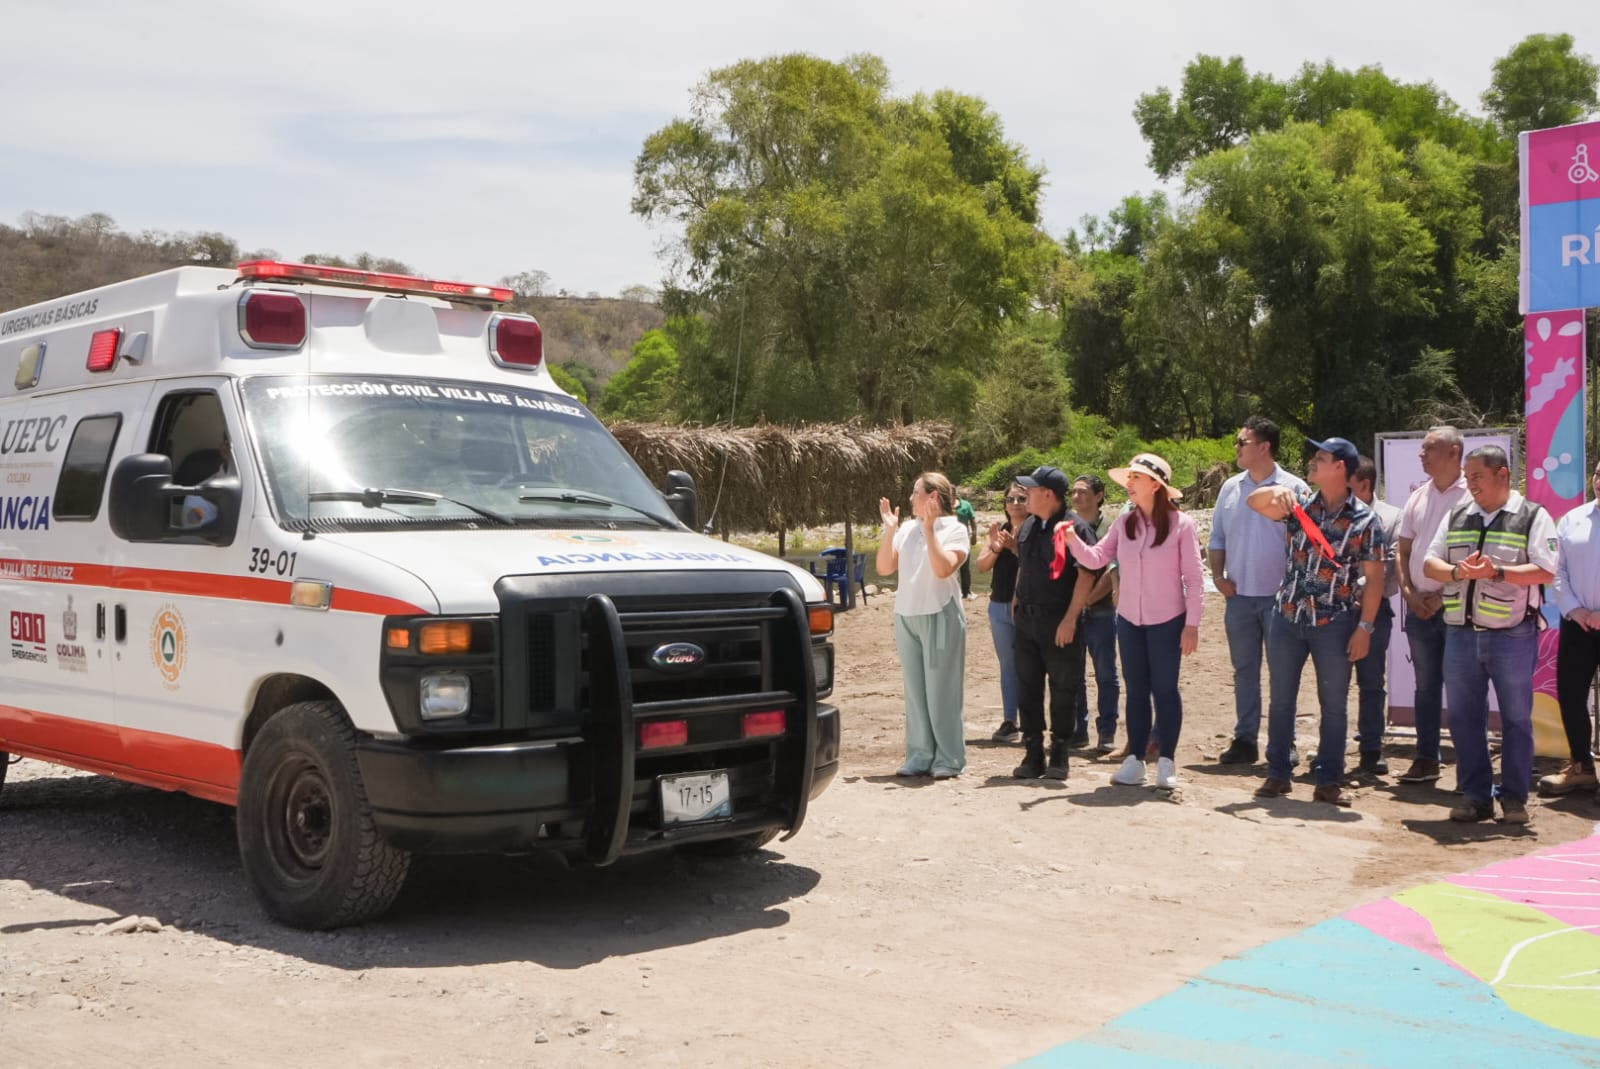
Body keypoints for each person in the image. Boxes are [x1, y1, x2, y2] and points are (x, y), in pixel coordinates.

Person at [1423, 445, 1558, 824]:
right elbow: (1430, 563)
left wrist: (1496, 572)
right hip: (1460, 635)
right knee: (1463, 718)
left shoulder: (1532, 516)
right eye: (1468, 478)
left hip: (1513, 635)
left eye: (1477, 477)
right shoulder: (1457, 514)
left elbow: (1546, 571)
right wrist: (1457, 572)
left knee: (1516, 719)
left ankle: (1514, 799)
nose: (1471, 484)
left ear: (1503, 475)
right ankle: (1475, 797)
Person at [1249, 437, 1384, 807]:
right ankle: (1278, 773)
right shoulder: (1299, 504)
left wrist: (1365, 628)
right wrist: (1274, 492)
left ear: (1340, 467)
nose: (1313, 461)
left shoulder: (1365, 520)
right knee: (1281, 699)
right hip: (1288, 616)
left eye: (1321, 457)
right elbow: (1253, 502)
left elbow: (1375, 580)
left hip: (1335, 621)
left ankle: (1328, 780)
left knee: (1334, 705)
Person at [1062, 453, 1203, 791]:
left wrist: (1192, 624)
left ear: (1155, 485)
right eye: (1129, 477)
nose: (1129, 483)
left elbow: (1195, 579)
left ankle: (1166, 761)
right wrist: (1071, 540)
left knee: (1165, 690)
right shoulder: (1124, 524)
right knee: (1136, 690)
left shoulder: (1182, 525)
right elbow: (1096, 557)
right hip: (1128, 620)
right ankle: (1135, 760)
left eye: (1136, 478)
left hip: (1168, 621)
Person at [1209, 416, 1308, 766]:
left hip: (1281, 600)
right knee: (1244, 671)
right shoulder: (1230, 488)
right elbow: (1217, 537)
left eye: (1242, 442)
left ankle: (1284, 742)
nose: (1236, 447)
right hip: (1238, 597)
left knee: (1283, 675)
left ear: (1264, 447)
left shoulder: (1295, 489)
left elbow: (1307, 544)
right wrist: (1217, 577)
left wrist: (1293, 587)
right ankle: (1245, 740)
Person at [1009, 465, 1101, 781]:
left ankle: (1060, 754)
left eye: (1031, 490)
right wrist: (1016, 601)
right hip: (1027, 620)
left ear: (1048, 494)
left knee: (1063, 689)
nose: (1025, 495)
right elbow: (1024, 566)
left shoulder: (1075, 528)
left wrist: (1071, 619)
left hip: (1059, 620)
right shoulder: (1029, 526)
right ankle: (1033, 753)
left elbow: (1086, 576)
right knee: (1027, 687)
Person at [878, 472, 970, 780]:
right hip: (906, 614)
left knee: (942, 690)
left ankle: (949, 758)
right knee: (915, 691)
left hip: (940, 613)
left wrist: (930, 530)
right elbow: (884, 567)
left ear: (933, 497)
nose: (910, 498)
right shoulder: (906, 528)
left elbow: (944, 569)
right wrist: (890, 530)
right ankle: (919, 755)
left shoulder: (955, 529)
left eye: (915, 492)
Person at [1393, 426, 1468, 785]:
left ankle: (1469, 766)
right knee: (1425, 687)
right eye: (1421, 449)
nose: (1421, 455)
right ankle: (1426, 759)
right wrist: (1409, 594)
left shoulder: (1472, 497)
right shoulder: (1418, 496)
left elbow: (1478, 555)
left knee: (1464, 689)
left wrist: (1442, 596)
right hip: (1419, 608)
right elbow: (1403, 551)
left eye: (1429, 449)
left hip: (1457, 609)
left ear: (1454, 453)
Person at [1544, 458, 1600, 797]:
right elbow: (1557, 570)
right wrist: (1574, 609)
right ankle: (1582, 766)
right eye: (1598, 474)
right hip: (1577, 623)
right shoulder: (1571, 519)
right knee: (1571, 695)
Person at [1350, 455, 1401, 776]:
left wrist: (1358, 587)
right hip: (1336, 611)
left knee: (1371, 681)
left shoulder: (1392, 517)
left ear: (1364, 485)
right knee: (1333, 684)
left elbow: (1391, 565)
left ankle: (1371, 749)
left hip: (1375, 611)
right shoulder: (1330, 514)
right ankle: (1330, 749)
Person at [1070, 475, 1120, 753]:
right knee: (1074, 673)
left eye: (1083, 492)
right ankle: (1079, 730)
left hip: (1101, 610)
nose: (1077, 496)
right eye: (1074, 492)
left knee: (1105, 673)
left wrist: (1087, 599)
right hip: (1074, 612)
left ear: (1099, 496)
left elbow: (1112, 570)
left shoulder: (1110, 528)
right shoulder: (1068, 526)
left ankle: (1106, 731)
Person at [977, 482, 1029, 741]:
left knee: (1030, 665)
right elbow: (982, 566)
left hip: (1028, 607)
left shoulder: (1036, 530)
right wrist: (997, 547)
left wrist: (1015, 547)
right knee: (1008, 666)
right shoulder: (999, 531)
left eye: (1021, 499)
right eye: (1011, 499)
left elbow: (1041, 565)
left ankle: (1031, 721)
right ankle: (1010, 720)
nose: (1015, 503)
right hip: (998, 605)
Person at [954, 492, 978, 600]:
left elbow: (972, 520)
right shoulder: (944, 505)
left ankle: (966, 592)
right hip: (949, 539)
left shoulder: (965, 504)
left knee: (965, 566)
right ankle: (955, 592)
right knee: (952, 567)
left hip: (964, 539)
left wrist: (974, 535)